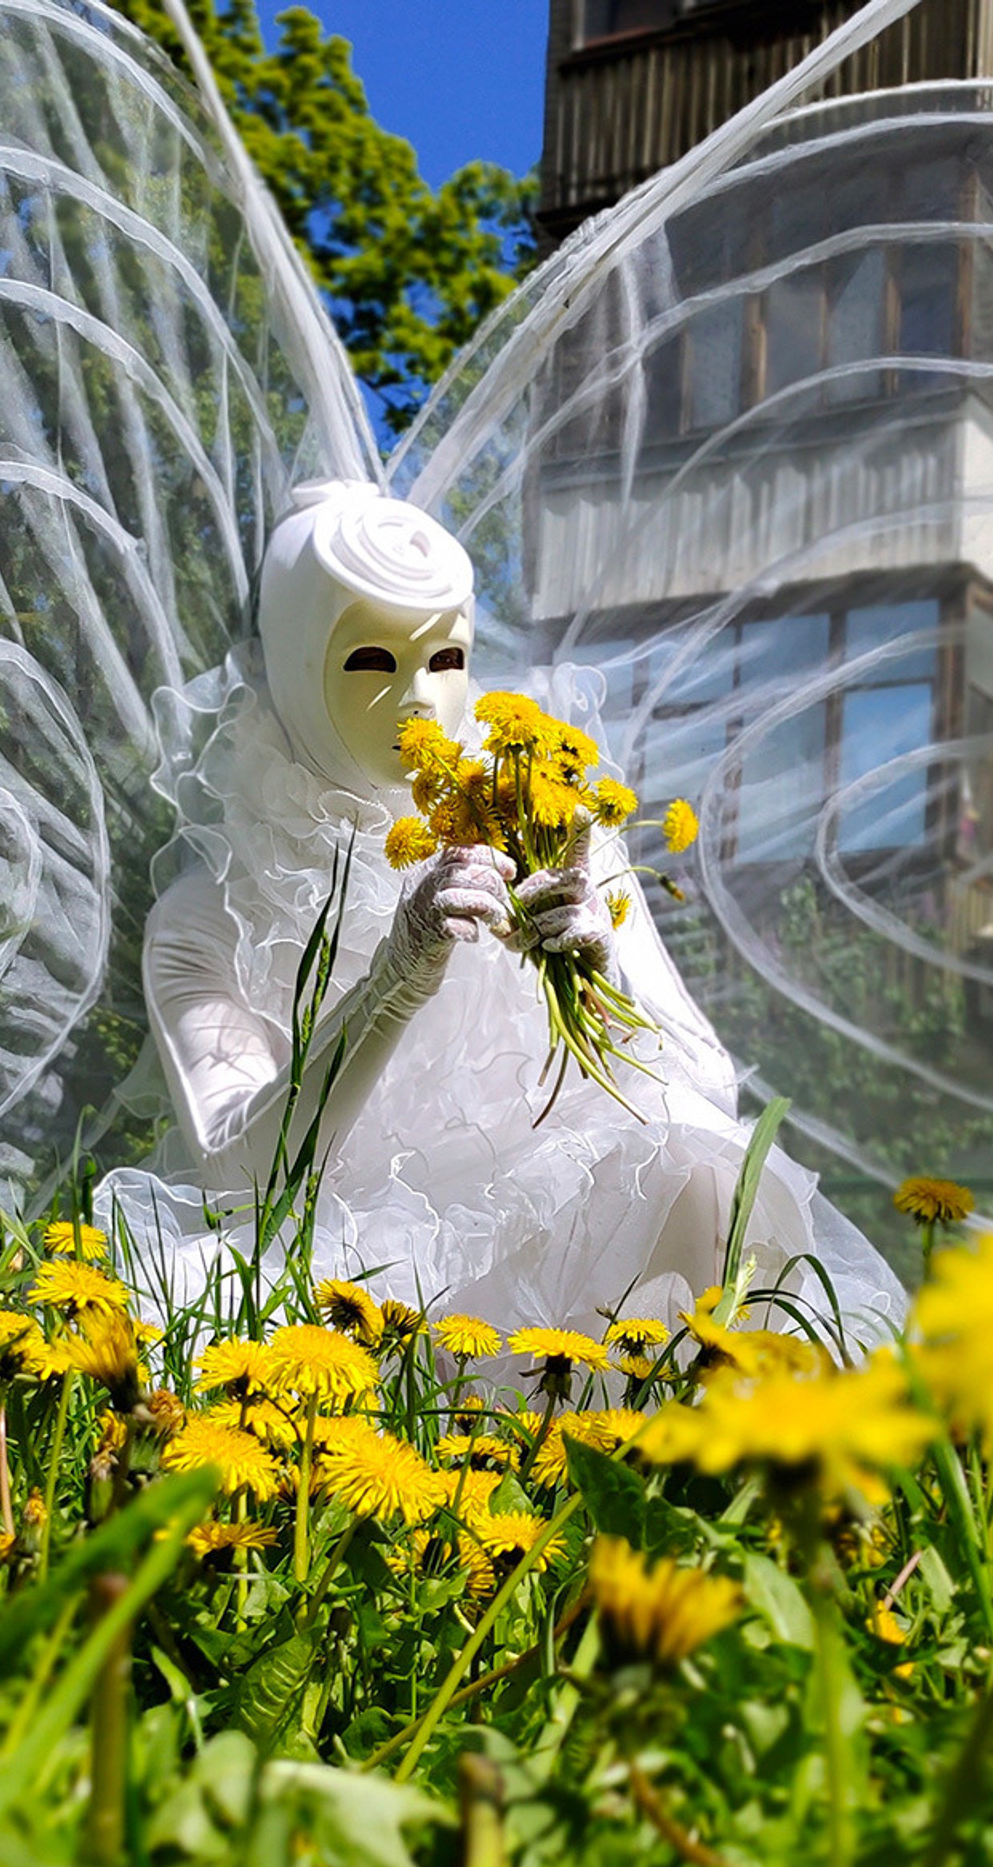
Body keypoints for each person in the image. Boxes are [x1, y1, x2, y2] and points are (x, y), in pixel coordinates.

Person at [97, 480, 901, 1346]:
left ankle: (677, 1462)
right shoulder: (214, 910)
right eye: (369, 661)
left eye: (446, 660)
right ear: (294, 659)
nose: (418, 700)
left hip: (554, 1251)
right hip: (344, 1276)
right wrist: (390, 986)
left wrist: (601, 970)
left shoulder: (550, 828)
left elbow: (704, 1087)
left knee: (696, 1167)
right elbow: (235, 1171)